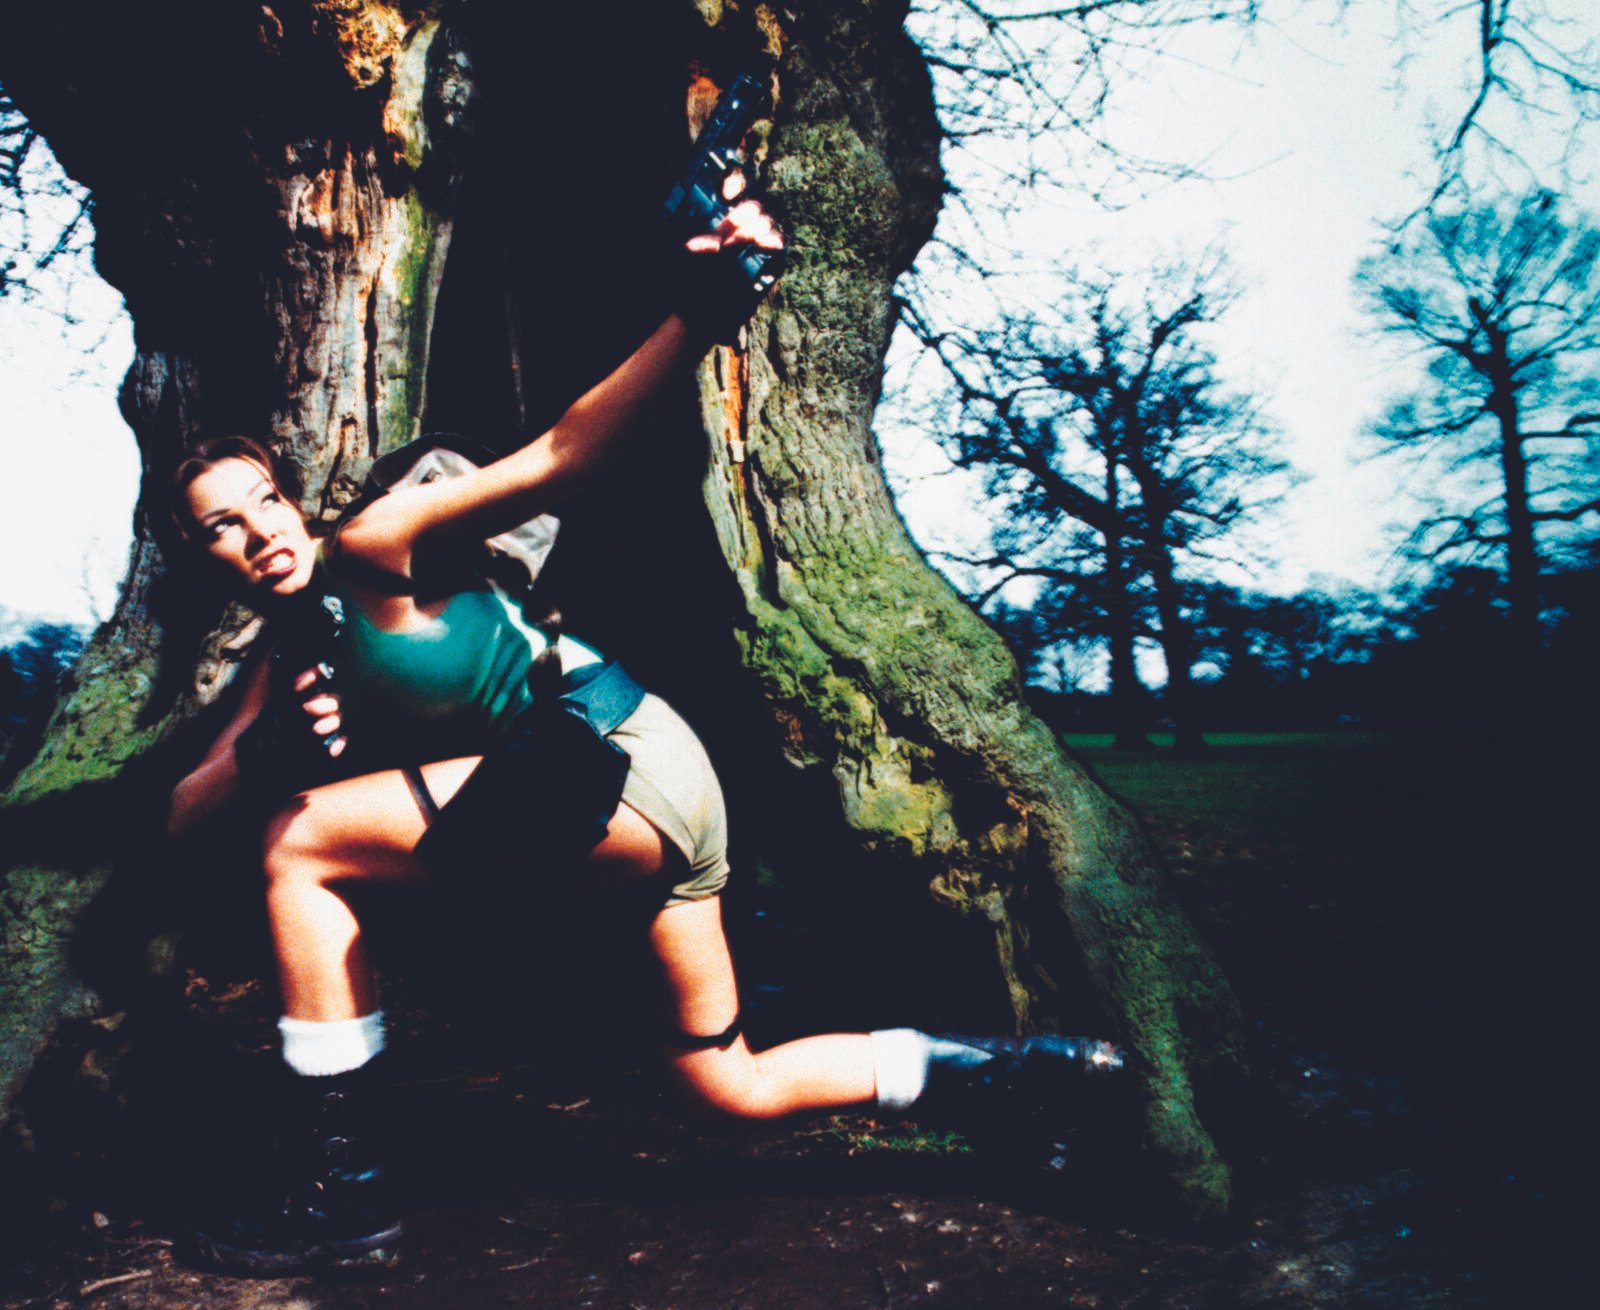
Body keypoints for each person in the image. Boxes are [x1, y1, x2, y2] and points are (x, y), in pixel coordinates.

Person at [165, 200, 1124, 1277]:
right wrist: (263, 753)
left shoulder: (372, 546)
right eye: (221, 527)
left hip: (620, 760)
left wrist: (699, 313)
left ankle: (338, 1190)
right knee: (726, 1083)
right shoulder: (285, 658)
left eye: (263, 502)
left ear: (292, 501)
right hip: (631, 803)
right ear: (205, 557)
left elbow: (560, 454)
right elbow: (186, 810)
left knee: (299, 842)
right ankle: (1028, 1077)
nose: (256, 531)